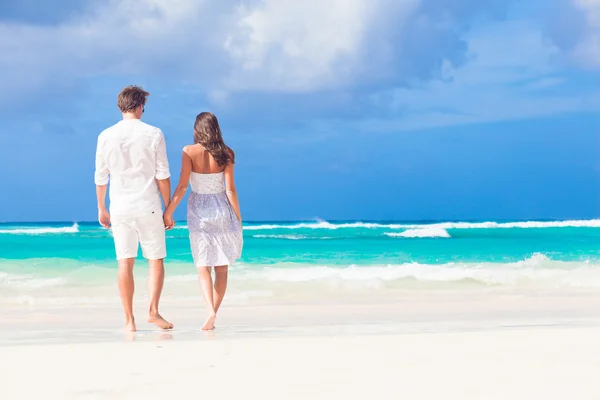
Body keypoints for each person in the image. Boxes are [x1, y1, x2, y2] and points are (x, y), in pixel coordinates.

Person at [94, 85, 174, 332]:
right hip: (148, 205)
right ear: (140, 106)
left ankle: (129, 321)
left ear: (121, 106)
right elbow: (162, 174)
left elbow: (101, 176)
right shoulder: (154, 133)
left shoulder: (105, 135)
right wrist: (168, 208)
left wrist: (101, 208)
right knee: (155, 260)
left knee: (124, 262)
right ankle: (153, 312)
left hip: (119, 207)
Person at [163, 112, 242, 330]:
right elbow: (230, 189)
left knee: (203, 265)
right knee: (222, 267)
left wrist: (168, 212)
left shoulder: (189, 151)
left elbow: (182, 186)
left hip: (199, 210)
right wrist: (238, 217)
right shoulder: (227, 153)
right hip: (222, 210)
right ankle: (213, 314)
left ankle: (209, 310)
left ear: (197, 129)